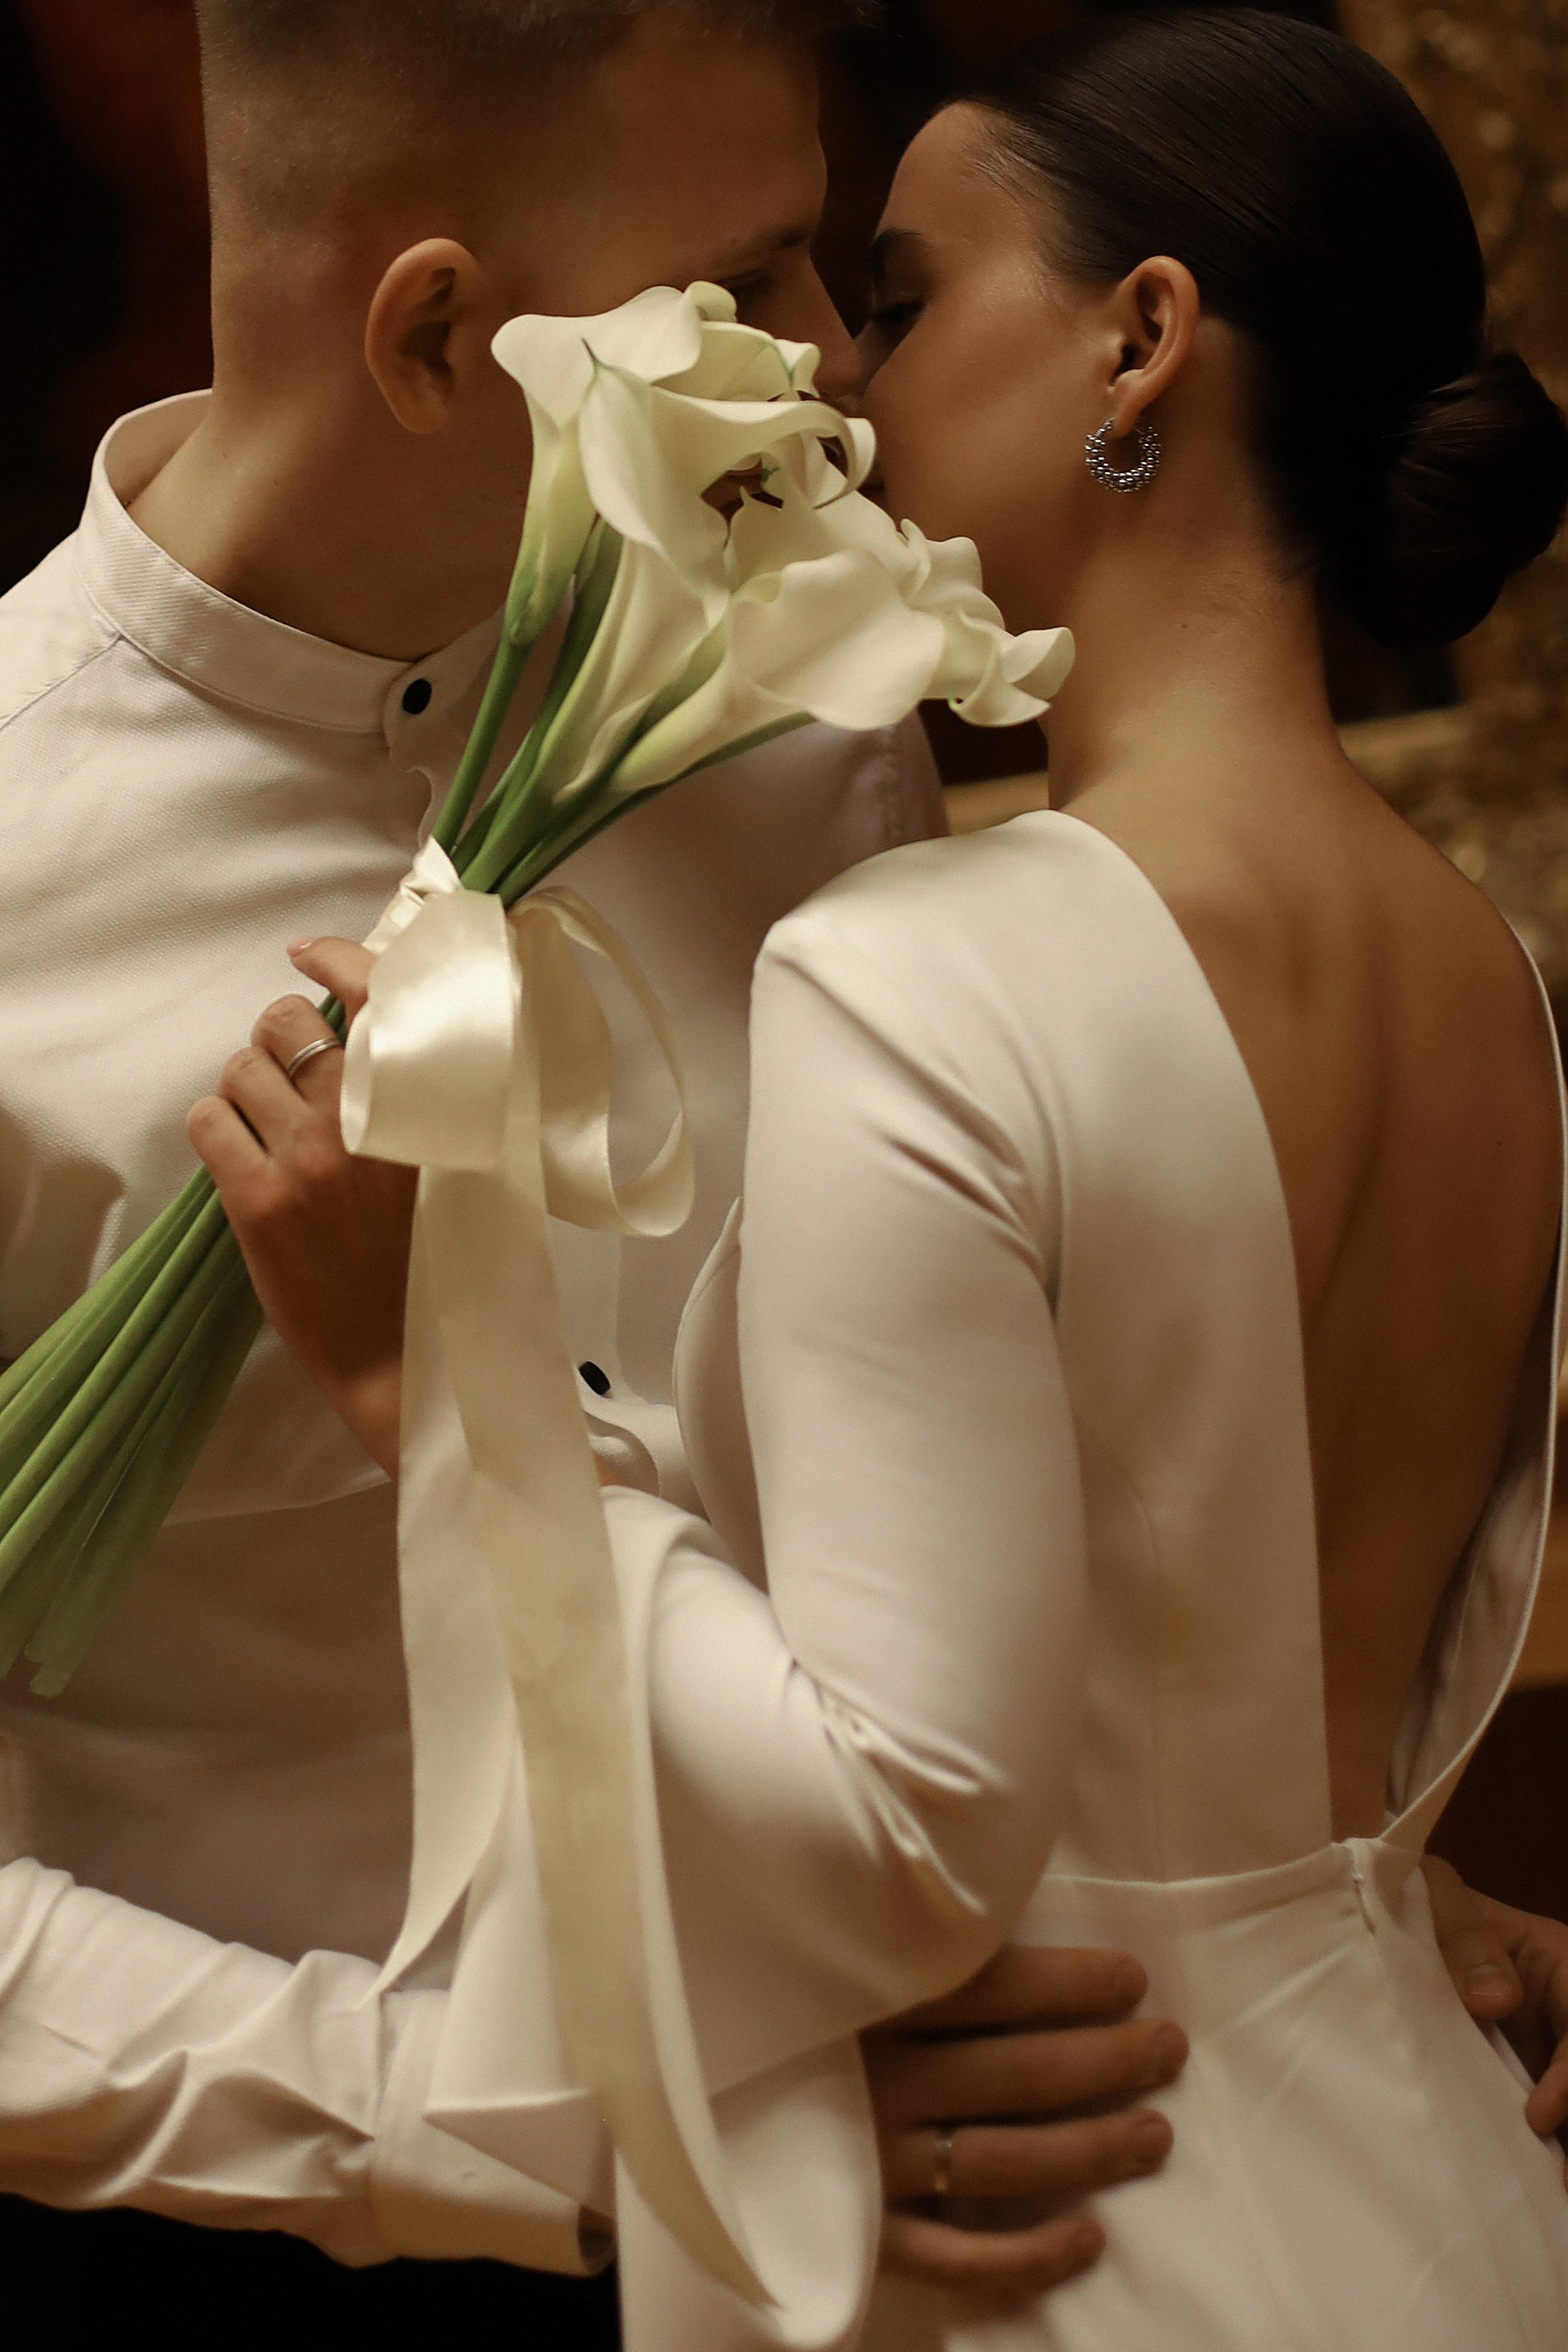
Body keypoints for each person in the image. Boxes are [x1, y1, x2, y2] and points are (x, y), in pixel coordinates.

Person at [200, 10, 1568, 2347]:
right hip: (1445, 2191)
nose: (836, 369)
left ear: (1142, 340)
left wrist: (443, 1396)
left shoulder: (922, 963)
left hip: (1079, 2230)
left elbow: (902, 1826)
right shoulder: (1497, 988)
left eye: (906, 296)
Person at [0, 0, 1225, 2324]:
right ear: (435, 335)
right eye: (747, 278)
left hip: (939, 2228)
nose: (831, 359)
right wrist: (559, 2128)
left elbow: (966, 1461)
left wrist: (1319, 1884)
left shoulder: (797, 723)